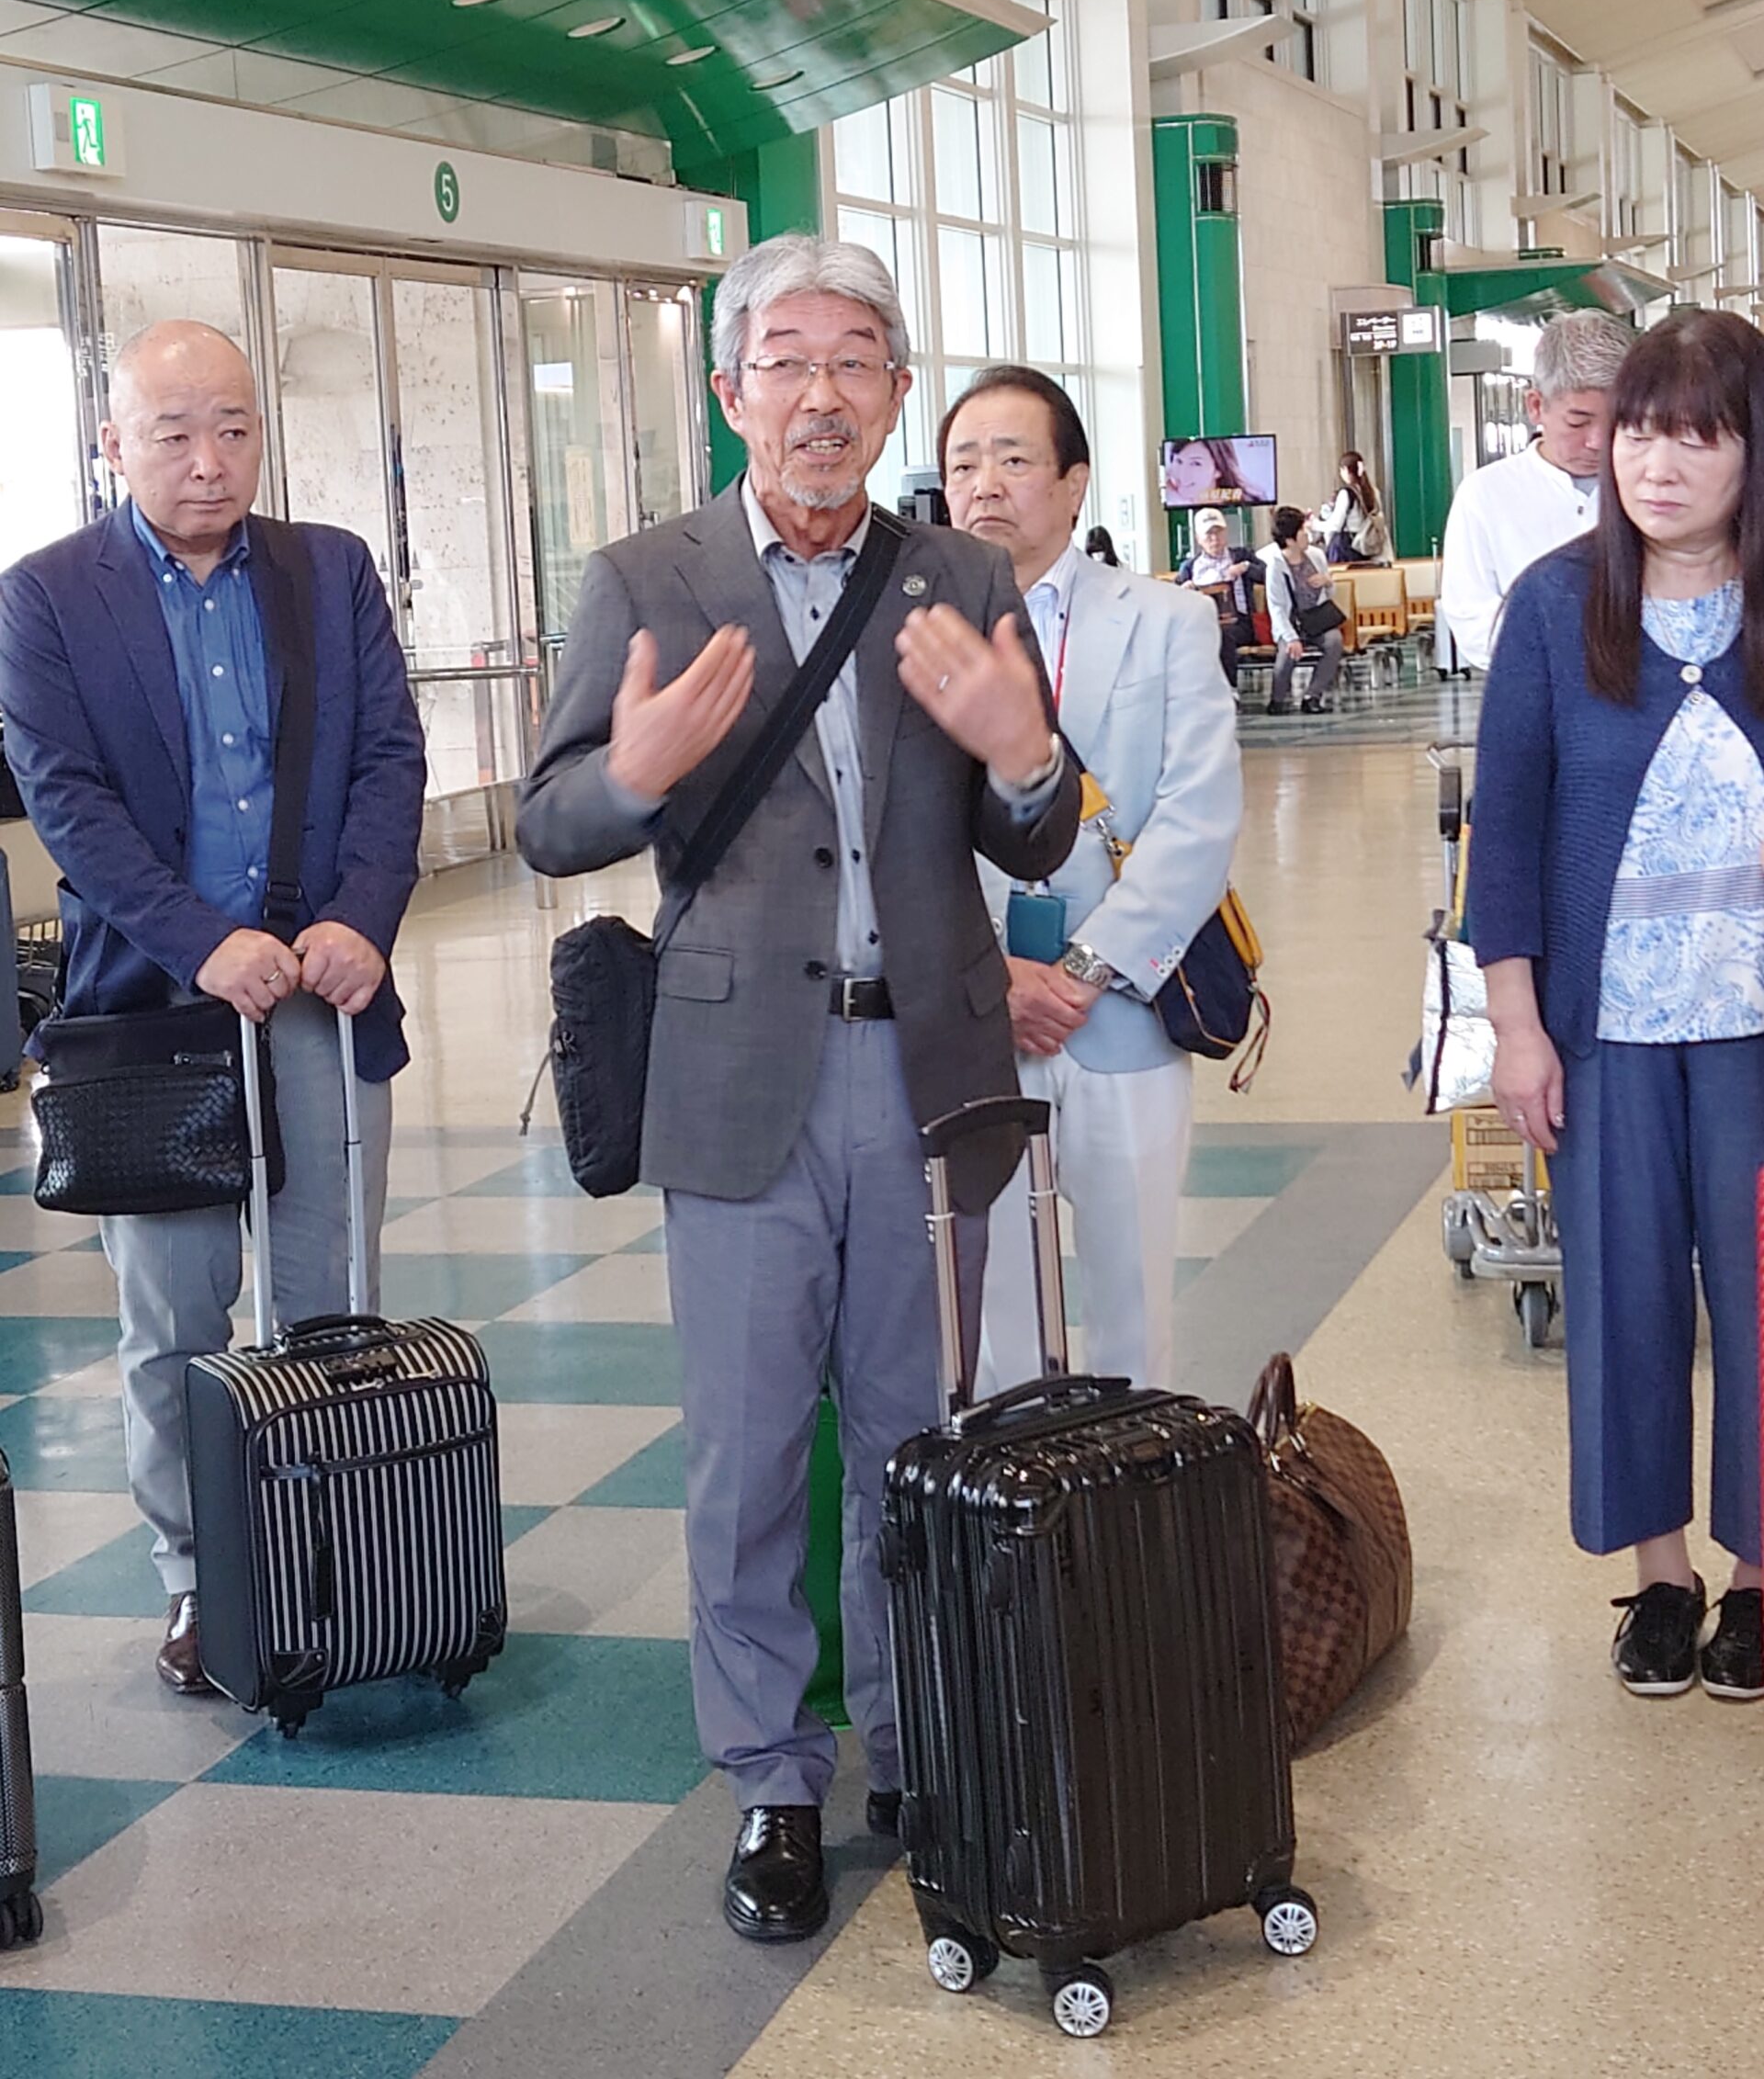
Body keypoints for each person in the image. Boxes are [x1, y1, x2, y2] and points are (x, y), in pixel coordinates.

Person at [516, 237, 1080, 1946]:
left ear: (897, 393)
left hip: (925, 1072)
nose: (820, 394)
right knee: (750, 1451)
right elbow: (548, 822)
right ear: (730, 391)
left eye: (854, 361)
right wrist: (632, 772)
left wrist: (1026, 755)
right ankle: (772, 1777)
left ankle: (918, 1749)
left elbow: (1036, 833)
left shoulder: (962, 573)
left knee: (916, 1438)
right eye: (787, 360)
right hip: (739, 1076)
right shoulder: (646, 576)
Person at [0, 320, 424, 1695]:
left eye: (233, 428)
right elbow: (70, 802)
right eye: (173, 433)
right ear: (112, 445)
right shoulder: (45, 597)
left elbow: (388, 756)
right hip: (157, 1019)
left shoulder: (330, 569)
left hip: (323, 997)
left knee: (332, 1309)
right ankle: (199, 1579)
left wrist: (361, 915)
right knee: (173, 1321)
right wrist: (203, 941)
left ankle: (329, 1564)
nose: (208, 459)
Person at [1469, 309, 1764, 1702]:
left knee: (1760, 1302)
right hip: (1608, 1034)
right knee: (1624, 1299)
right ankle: (1660, 1575)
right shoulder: (1553, 604)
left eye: (1697, 434)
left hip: (1754, 1032)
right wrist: (1517, 1025)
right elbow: (1509, 831)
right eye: (1641, 430)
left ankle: (1756, 1578)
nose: (1657, 462)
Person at [942, 367, 1240, 1396]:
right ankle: (1014, 1493)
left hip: (1121, 1012)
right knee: (995, 1321)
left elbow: (1199, 817)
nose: (985, 483)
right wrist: (993, 974)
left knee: (1132, 1311)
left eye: (1013, 459)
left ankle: (1132, 1493)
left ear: (1073, 484)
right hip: (980, 1017)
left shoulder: (1166, 621)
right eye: (963, 463)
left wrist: (1083, 969)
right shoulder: (916, 635)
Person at [1439, 309, 1633, 668]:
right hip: (1533, 684)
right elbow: (1471, 615)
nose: (1596, 442)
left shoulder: (1650, 485)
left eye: (1615, 422)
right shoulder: (1486, 495)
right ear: (1536, 406)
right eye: (1578, 422)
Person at [1261, 506, 1343, 716]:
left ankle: (1312, 695)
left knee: (1334, 641)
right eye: (1302, 531)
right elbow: (1276, 607)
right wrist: (1291, 637)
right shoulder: (1275, 566)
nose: (1307, 535)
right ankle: (1277, 699)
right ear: (1290, 540)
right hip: (1290, 622)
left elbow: (1330, 592)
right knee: (1288, 653)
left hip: (1316, 619)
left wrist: (1327, 582)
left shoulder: (1316, 556)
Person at [1178, 506, 1259, 690]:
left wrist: (1246, 567)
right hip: (1201, 625)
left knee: (1222, 634)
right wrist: (1184, 590)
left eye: (1218, 532)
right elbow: (1174, 601)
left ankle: (1229, 689)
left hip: (1238, 623)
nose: (1215, 539)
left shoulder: (1241, 555)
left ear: (1226, 533)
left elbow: (1269, 575)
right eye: (1209, 534)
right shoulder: (1190, 567)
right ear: (1199, 539)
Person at [1320, 451, 1388, 564]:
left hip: (1347, 545)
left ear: (1346, 470)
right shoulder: (1373, 492)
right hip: (1366, 545)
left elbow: (1335, 525)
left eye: (1341, 470)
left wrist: (1315, 524)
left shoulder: (1346, 493)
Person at [1162, 435, 1252, 509]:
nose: (1182, 474)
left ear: (1218, 469)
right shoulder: (1171, 497)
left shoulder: (1240, 502)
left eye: (1196, 464)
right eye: (1179, 461)